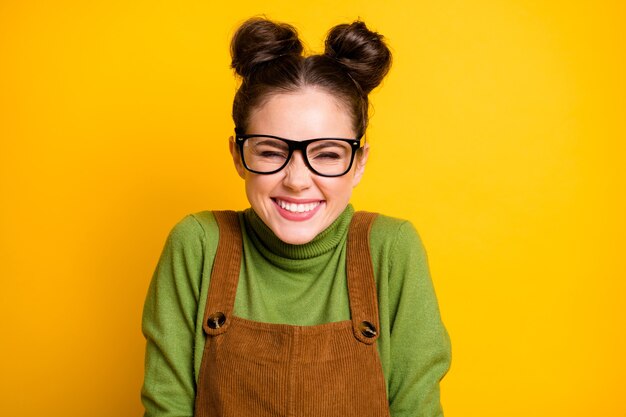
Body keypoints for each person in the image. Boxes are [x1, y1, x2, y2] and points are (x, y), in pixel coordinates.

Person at [141, 17, 451, 417]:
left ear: (358, 162)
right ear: (238, 156)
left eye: (327, 154)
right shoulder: (199, 244)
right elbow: (167, 405)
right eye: (271, 151)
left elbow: (417, 406)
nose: (298, 181)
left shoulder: (391, 249)